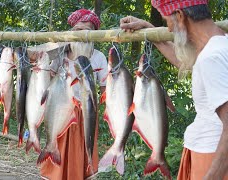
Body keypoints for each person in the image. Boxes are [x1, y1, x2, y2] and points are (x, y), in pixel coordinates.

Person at [120, 0, 228, 179]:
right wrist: (150, 29)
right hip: (207, 151)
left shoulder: (211, 57)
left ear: (180, 16)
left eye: (167, 20)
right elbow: (187, 63)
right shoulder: (220, 43)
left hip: (212, 157)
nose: (169, 29)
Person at [39, 9, 108, 180]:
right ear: (71, 32)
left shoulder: (99, 57)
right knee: (58, 148)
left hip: (86, 113)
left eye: (88, 31)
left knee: (81, 152)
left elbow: (106, 88)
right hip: (59, 110)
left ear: (93, 34)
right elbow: (45, 78)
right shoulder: (59, 53)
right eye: (78, 30)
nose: (82, 34)